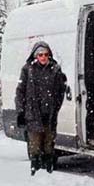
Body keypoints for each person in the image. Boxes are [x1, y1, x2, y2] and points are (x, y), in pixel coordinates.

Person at [15, 41, 67, 176]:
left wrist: (55, 107)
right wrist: (21, 112)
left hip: (49, 114)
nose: (43, 57)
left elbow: (61, 90)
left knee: (49, 144)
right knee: (35, 144)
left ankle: (49, 168)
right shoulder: (28, 70)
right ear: (35, 56)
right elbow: (20, 92)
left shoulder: (55, 69)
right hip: (32, 114)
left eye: (45, 54)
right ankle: (35, 170)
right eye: (40, 55)